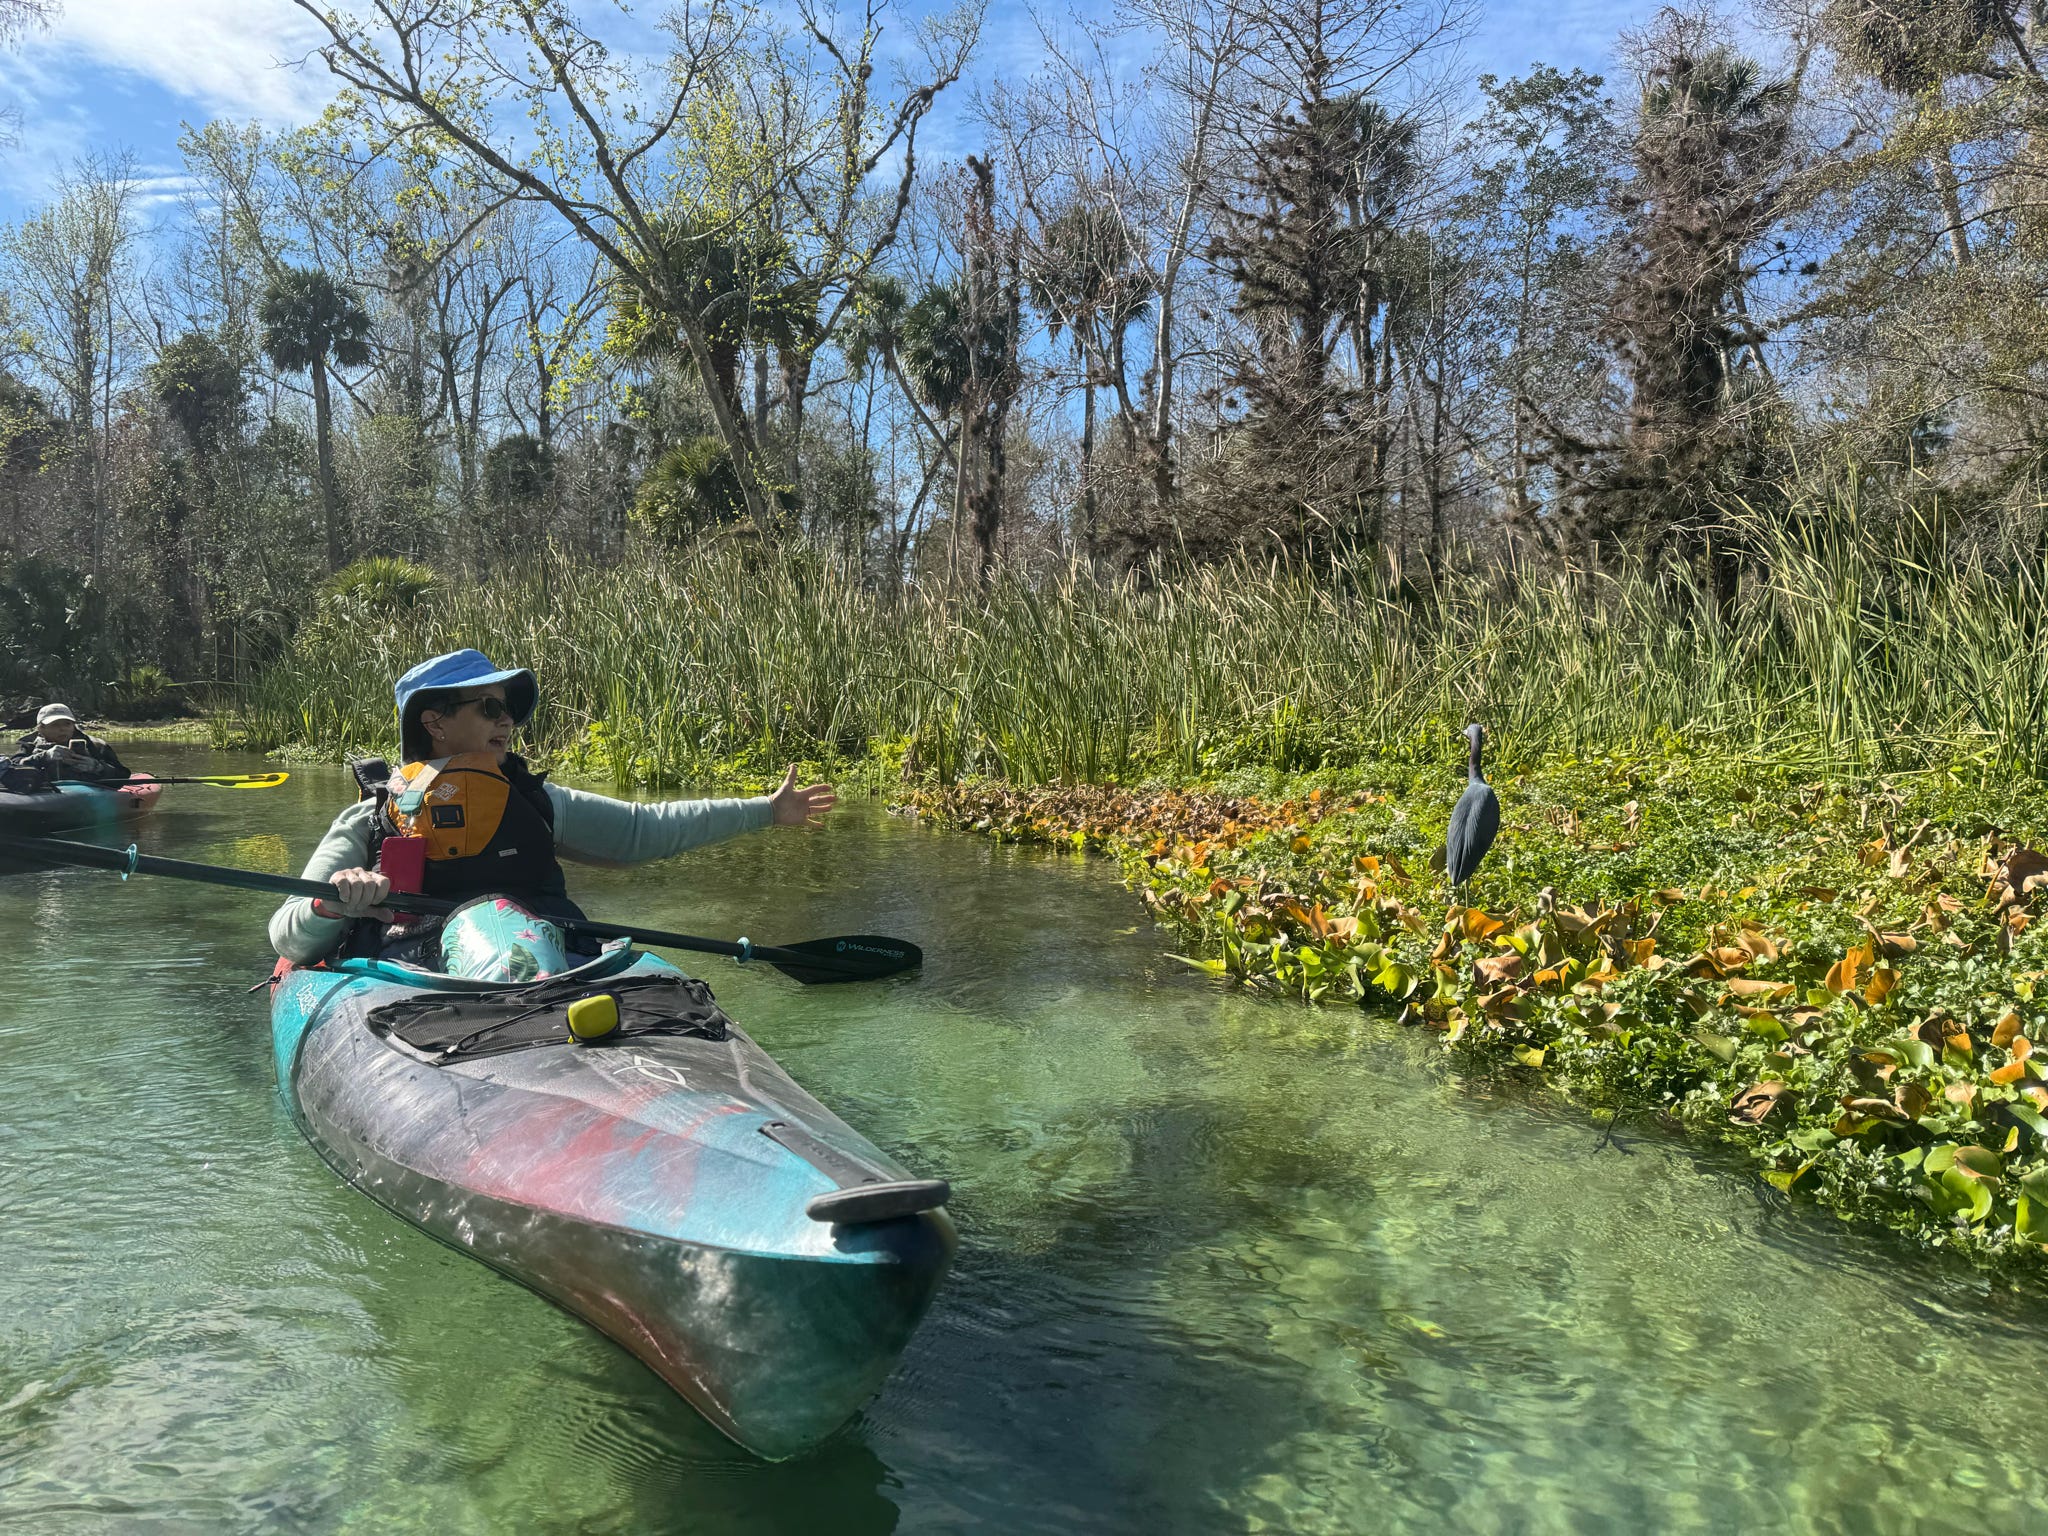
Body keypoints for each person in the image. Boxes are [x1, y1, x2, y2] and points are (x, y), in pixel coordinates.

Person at [268, 649, 837, 966]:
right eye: (489, 707)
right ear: (434, 722)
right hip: (419, 981)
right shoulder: (371, 820)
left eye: (509, 709)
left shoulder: (536, 803)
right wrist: (332, 903)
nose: (507, 721)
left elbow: (641, 830)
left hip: (551, 966)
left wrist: (765, 810)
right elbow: (288, 937)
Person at [8, 703, 132, 786]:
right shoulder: (29, 746)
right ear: (41, 729)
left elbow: (123, 776)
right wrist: (43, 757)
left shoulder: (97, 746)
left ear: (73, 726)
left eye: (67, 724)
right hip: (46, 793)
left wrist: (98, 768)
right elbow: (9, 771)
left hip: (88, 794)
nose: (62, 729)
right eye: (55, 725)